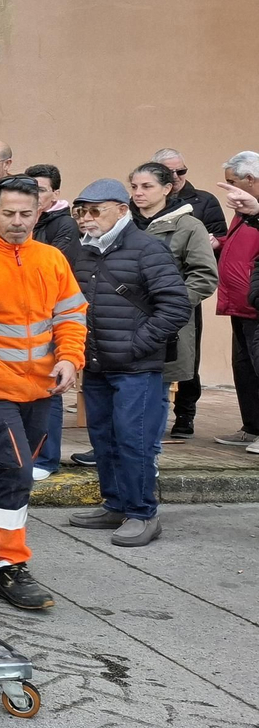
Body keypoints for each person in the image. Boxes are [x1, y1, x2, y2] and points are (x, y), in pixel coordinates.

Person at [0, 177, 86, 610]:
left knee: (8, 473)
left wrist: (70, 358)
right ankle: (7, 561)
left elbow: (71, 315)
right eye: (8, 213)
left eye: (25, 214)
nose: (16, 222)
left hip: (43, 389)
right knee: (15, 473)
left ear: (39, 213)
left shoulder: (51, 259)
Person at [67, 179, 190, 546]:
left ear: (122, 211)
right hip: (97, 363)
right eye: (81, 212)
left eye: (95, 210)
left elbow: (176, 306)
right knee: (103, 437)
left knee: (133, 439)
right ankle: (116, 504)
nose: (86, 219)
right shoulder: (84, 251)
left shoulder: (147, 249)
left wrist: (138, 345)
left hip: (136, 367)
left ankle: (142, 513)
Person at [128, 162, 217, 445]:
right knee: (122, 387)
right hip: (122, 319)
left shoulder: (189, 225)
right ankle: (118, 447)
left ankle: (146, 452)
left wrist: (172, 306)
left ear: (167, 189)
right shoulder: (123, 224)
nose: (138, 193)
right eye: (134, 187)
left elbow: (203, 276)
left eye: (147, 186)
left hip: (166, 323)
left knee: (157, 387)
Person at [19, 163, 80, 479]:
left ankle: (46, 459)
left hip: (49, 320)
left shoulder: (64, 225)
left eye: (40, 189)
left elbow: (50, 274)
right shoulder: (22, 220)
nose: (33, 195)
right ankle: (16, 456)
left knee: (50, 390)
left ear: (55, 193)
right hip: (19, 323)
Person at [216, 152, 259, 448]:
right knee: (244, 368)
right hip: (239, 302)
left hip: (254, 302)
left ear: (251, 180)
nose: (231, 188)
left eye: (233, 182)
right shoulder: (244, 209)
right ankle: (252, 427)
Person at [155, 147, 229, 241]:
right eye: (169, 172)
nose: (175, 177)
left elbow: (220, 239)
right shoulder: (142, 200)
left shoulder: (206, 200)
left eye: (180, 171)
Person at [25, 164, 78, 263]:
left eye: (41, 190)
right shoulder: (18, 219)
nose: (34, 195)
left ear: (55, 195)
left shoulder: (66, 224)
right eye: (29, 189)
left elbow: (55, 264)